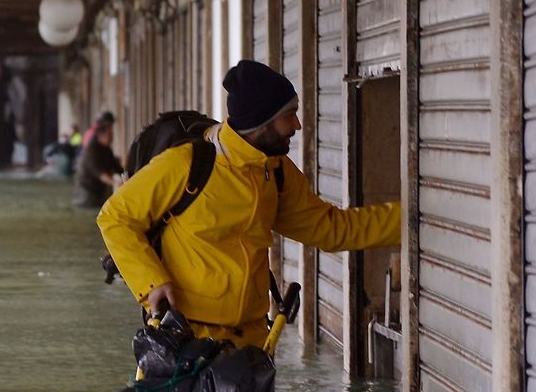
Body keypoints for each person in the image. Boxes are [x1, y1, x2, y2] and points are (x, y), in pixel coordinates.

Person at [97, 60, 401, 349]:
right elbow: (115, 218)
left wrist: (412, 220)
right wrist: (151, 283)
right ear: (262, 121)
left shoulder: (276, 171)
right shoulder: (186, 164)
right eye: (289, 114)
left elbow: (331, 230)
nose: (297, 124)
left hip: (252, 344)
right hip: (184, 339)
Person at [73, 125, 123, 208]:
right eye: (109, 134)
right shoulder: (91, 151)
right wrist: (116, 183)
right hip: (88, 191)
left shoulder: (106, 149)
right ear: (100, 135)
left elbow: (116, 167)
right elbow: (99, 173)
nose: (112, 137)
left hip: (99, 188)